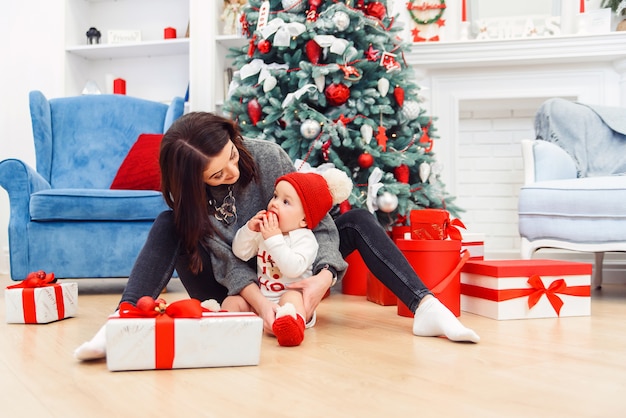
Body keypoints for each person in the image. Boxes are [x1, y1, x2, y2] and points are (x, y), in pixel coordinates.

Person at [74, 112, 478, 361]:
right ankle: (122, 320)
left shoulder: (265, 155)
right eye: (216, 174)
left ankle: (425, 307)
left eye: (232, 156)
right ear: (192, 178)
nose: (231, 171)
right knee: (168, 223)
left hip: (292, 271)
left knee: (354, 220)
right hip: (228, 286)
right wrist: (260, 307)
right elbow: (227, 259)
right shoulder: (191, 200)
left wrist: (322, 280)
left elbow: (316, 220)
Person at [224, 168, 352, 346]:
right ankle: (222, 327)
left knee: (291, 299)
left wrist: (274, 239)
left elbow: (293, 268)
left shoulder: (305, 239)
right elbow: (241, 253)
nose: (275, 203)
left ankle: (292, 328)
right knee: (233, 301)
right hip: (262, 298)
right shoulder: (266, 232)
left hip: (292, 298)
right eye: (275, 196)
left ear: (304, 220)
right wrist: (249, 230)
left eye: (286, 202)